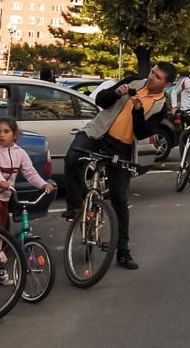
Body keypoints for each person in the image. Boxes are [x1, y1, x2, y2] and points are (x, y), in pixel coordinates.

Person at [62, 62, 177, 270]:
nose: (151, 77)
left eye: (158, 77)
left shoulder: (161, 107)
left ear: (167, 84)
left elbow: (142, 133)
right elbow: (100, 100)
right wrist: (116, 92)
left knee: (119, 198)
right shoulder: (132, 81)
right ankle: (74, 207)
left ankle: (123, 252)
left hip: (121, 147)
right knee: (72, 159)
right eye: (152, 72)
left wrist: (138, 109)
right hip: (97, 133)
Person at [0, 117, 54, 285]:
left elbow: (30, 173)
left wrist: (44, 184)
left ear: (15, 135)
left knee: (5, 228)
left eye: (6, 131)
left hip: (5, 194)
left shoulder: (20, 153)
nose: (1, 135)